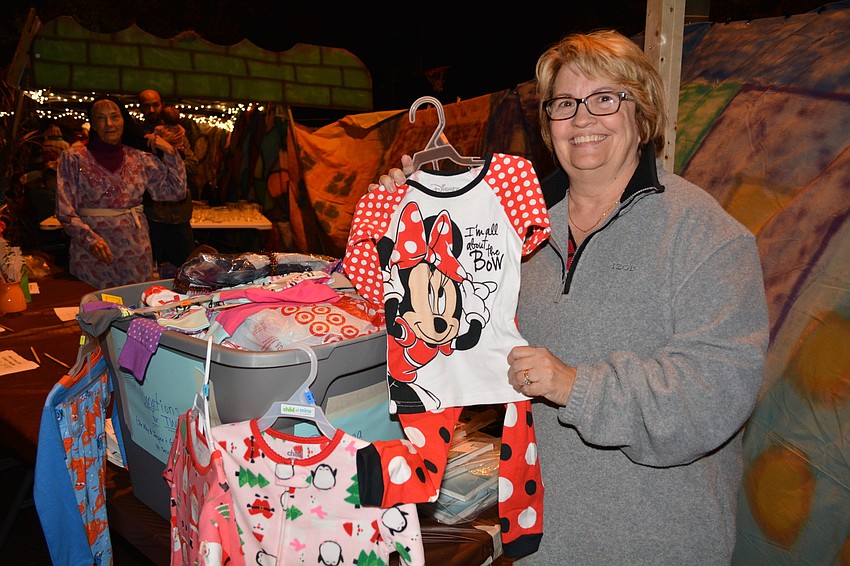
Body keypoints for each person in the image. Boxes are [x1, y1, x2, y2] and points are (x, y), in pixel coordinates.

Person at [369, 30, 769, 564]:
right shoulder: (508, 225)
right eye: (564, 104)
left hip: (658, 542)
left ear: (642, 112)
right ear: (547, 123)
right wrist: (398, 222)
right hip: (538, 539)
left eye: (605, 98)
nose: (582, 119)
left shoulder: (705, 235)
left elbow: (714, 394)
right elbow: (424, 317)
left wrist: (574, 385)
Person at [56, 95, 187, 289]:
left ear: (124, 120)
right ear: (92, 123)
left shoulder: (139, 158)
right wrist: (90, 240)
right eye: (101, 118)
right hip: (93, 252)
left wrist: (170, 152)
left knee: (134, 307)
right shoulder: (73, 158)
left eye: (115, 117)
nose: (109, 123)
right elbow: (64, 210)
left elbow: (175, 192)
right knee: (94, 308)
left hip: (134, 250)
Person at [138, 89, 197, 269]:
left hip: (179, 214)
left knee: (187, 268)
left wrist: (171, 155)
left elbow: (193, 165)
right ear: (141, 108)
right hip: (152, 215)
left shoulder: (179, 133)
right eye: (147, 106)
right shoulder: (139, 136)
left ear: (162, 105)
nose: (152, 110)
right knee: (152, 268)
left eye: (155, 104)